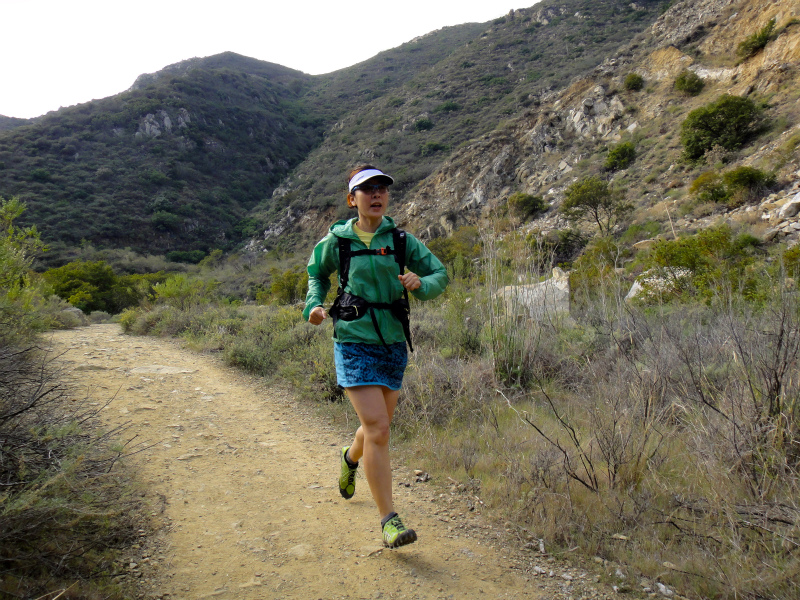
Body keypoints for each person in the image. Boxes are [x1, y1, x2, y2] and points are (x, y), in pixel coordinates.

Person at [303, 164, 448, 548]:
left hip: (393, 344)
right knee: (380, 429)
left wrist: (422, 283)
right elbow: (316, 274)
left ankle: (349, 459)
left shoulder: (401, 240)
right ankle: (389, 520)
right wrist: (314, 306)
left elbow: (439, 274)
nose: (377, 194)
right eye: (367, 189)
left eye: (382, 187)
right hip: (352, 339)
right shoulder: (338, 241)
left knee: (374, 429)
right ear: (353, 200)